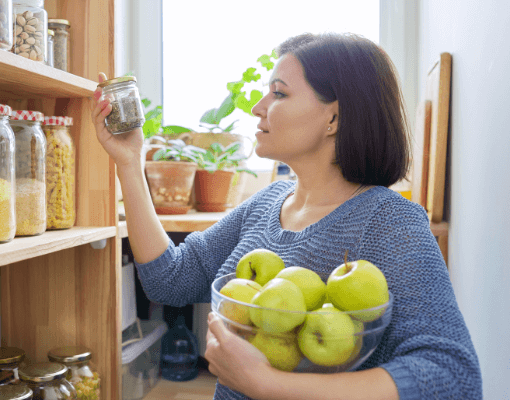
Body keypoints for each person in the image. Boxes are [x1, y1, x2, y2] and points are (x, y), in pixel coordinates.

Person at [91, 32, 482, 400]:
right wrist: (129, 162)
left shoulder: (391, 222)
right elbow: (170, 280)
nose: (259, 108)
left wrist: (268, 384)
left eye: (278, 93)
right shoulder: (266, 203)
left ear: (334, 119)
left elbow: (453, 376)